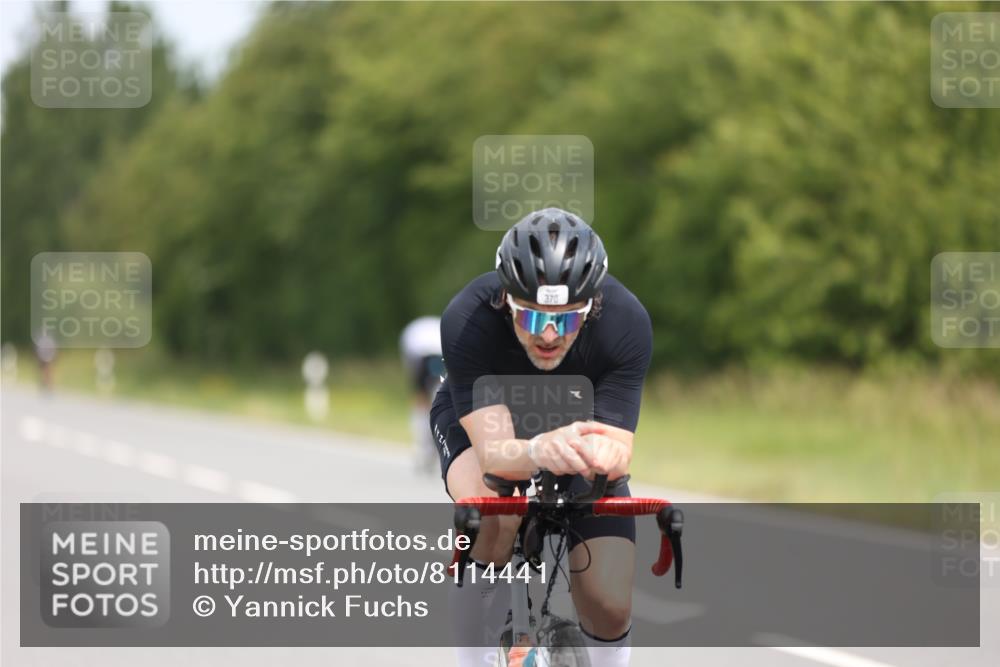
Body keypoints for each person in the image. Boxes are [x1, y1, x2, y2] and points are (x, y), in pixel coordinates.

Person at [432, 208, 652, 667]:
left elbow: (616, 451)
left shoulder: (626, 322)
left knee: (610, 602)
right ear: (506, 302)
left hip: (575, 422)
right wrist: (536, 450)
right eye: (532, 319)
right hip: (485, 422)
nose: (549, 335)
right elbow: (495, 456)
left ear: (591, 307)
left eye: (567, 321)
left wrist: (601, 453)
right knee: (493, 511)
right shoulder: (468, 319)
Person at [400, 315, 444, 472]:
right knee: (443, 408)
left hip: (425, 362)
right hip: (443, 358)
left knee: (421, 409)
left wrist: (419, 390)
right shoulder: (436, 326)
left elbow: (412, 367)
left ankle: (424, 450)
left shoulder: (411, 335)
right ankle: (440, 448)